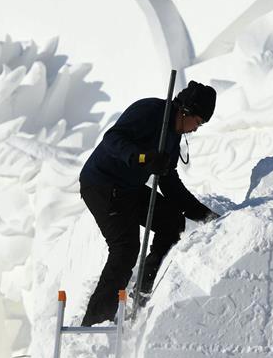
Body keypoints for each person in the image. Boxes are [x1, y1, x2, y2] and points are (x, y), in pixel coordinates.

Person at [79, 81, 218, 326]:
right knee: (125, 249)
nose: (196, 129)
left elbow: (170, 183)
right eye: (198, 122)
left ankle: (143, 288)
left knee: (172, 221)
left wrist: (205, 215)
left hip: (129, 189)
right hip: (102, 184)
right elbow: (112, 139)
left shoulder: (173, 137)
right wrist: (141, 157)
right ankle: (95, 322)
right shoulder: (150, 111)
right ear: (186, 111)